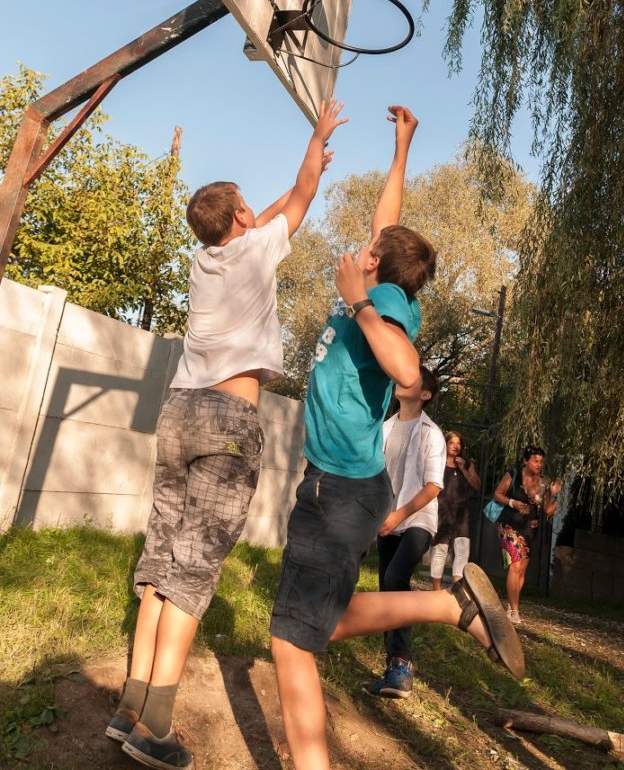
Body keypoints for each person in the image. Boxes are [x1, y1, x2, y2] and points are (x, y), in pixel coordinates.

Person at [269, 106, 525, 770]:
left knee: (292, 640)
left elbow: (409, 372)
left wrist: (357, 300)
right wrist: (402, 148)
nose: (363, 247)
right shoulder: (389, 285)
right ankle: (447, 607)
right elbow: (388, 222)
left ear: (376, 264)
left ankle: (444, 609)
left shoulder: (380, 302)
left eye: (370, 250)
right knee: (312, 624)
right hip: (341, 487)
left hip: (338, 491)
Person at [106, 99, 348, 770]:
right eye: (246, 205)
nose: (252, 211)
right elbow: (300, 194)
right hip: (227, 422)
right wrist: (318, 138)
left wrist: (256, 205)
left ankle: (129, 706)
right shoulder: (258, 249)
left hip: (178, 413)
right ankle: (155, 727)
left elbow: (268, 213)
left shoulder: (204, 260)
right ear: (241, 217)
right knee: (193, 569)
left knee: (160, 561)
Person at [365, 364, 446, 699]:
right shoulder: (384, 427)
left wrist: (400, 514)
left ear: (424, 394)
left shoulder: (431, 433)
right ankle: (392, 668)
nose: (403, 379)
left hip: (417, 520)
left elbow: (433, 486)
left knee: (396, 578)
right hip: (388, 519)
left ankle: (402, 662)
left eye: (412, 379)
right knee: (387, 589)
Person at [492, 445, 561, 624]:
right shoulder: (513, 475)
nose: (539, 464)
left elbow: (548, 511)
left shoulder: (544, 482)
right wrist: (512, 503)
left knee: (521, 569)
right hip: (509, 525)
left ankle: (510, 606)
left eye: (541, 462)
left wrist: (554, 495)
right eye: (535, 461)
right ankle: (515, 611)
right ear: (525, 461)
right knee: (515, 566)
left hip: (530, 529)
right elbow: (497, 494)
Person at [430, 432, 481, 590]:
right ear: (445, 444)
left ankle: (457, 589)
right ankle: (436, 592)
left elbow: (477, 485)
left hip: (461, 515)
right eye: (452, 443)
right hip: (441, 513)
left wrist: (463, 468)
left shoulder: (467, 464)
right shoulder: (438, 462)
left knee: (462, 551)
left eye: (458, 443)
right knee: (439, 551)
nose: (455, 446)